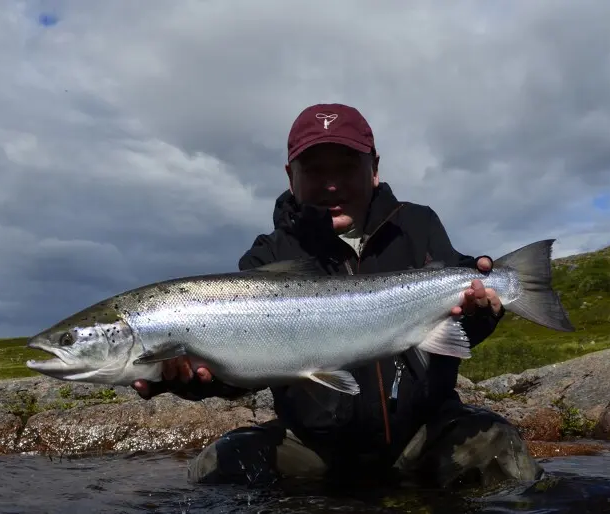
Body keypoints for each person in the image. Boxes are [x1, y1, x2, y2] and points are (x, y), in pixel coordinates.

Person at [131, 103, 543, 489]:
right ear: (290, 176)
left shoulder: (417, 224)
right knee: (218, 467)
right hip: (315, 447)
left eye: (347, 167)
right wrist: (192, 381)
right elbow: (244, 369)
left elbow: (456, 320)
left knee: (498, 447)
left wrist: (480, 312)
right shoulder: (268, 254)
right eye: (313, 169)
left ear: (374, 169)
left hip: (425, 431)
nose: (331, 183)